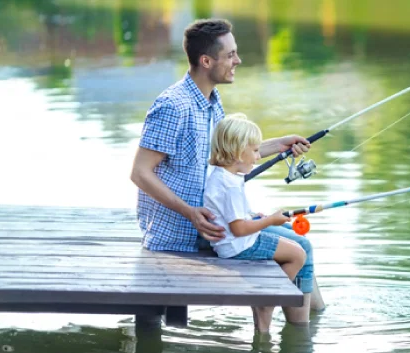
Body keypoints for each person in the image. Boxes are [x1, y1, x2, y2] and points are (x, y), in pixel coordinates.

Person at [129, 18, 324, 324]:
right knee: (302, 247)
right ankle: (301, 334)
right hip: (183, 234)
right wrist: (191, 212)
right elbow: (140, 173)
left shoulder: (211, 102)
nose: (238, 60)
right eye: (231, 54)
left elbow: (229, 157)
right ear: (206, 61)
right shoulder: (173, 106)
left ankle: (312, 322)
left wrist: (280, 144)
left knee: (296, 241)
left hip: (214, 223)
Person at [203, 113, 321, 331]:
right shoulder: (229, 186)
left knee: (292, 242)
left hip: (232, 242)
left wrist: (255, 217)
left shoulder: (223, 176)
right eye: (255, 151)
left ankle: (270, 299)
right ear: (238, 153)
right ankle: (269, 300)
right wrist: (269, 221)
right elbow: (238, 229)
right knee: (298, 254)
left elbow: (234, 216)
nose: (258, 157)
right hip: (240, 246)